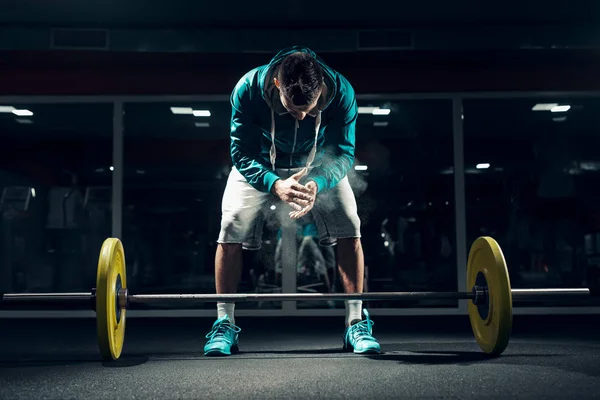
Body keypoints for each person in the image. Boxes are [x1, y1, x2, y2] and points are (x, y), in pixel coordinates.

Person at [204, 46, 380, 356]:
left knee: (350, 223)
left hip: (316, 165)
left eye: (310, 108)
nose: (302, 116)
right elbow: (241, 152)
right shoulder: (247, 89)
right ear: (276, 85)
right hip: (260, 164)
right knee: (230, 223)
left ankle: (356, 323)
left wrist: (318, 182)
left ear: (321, 88)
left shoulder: (341, 92)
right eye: (292, 108)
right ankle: (224, 324)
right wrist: (273, 184)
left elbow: (343, 152)